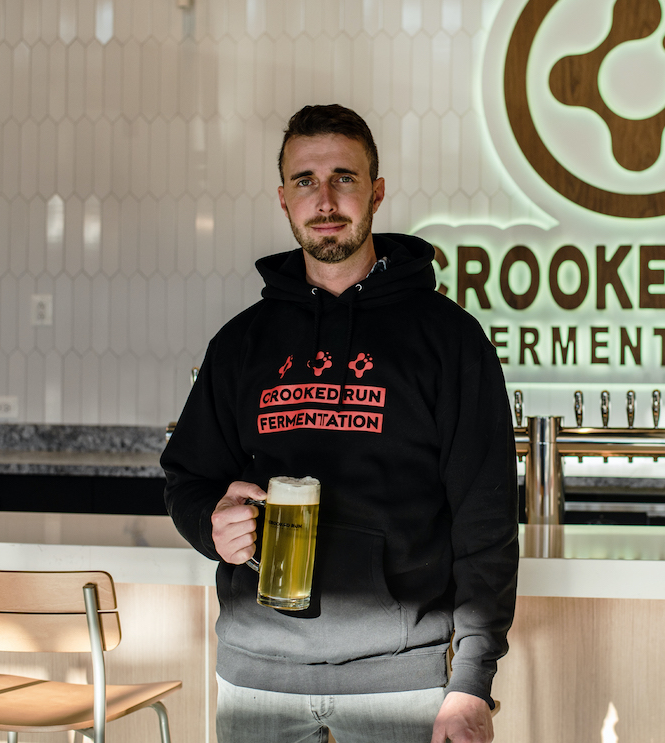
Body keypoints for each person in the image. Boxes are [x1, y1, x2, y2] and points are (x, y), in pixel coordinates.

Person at [162, 104, 519, 743]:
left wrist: (471, 682)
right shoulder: (241, 343)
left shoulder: (450, 340)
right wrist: (211, 524)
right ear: (283, 199)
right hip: (256, 675)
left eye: (344, 179)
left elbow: (485, 521)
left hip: (402, 683)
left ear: (376, 192)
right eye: (305, 181)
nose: (325, 200)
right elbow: (188, 478)